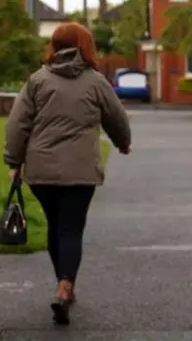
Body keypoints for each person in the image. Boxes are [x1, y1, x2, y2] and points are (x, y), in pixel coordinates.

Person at [3, 22, 131, 325]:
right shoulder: (96, 82)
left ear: (54, 47)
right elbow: (116, 118)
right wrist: (122, 143)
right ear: (86, 47)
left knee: (54, 225)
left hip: (41, 170)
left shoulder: (37, 81)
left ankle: (63, 283)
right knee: (71, 228)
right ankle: (65, 286)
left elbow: (17, 124)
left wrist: (13, 162)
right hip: (80, 170)